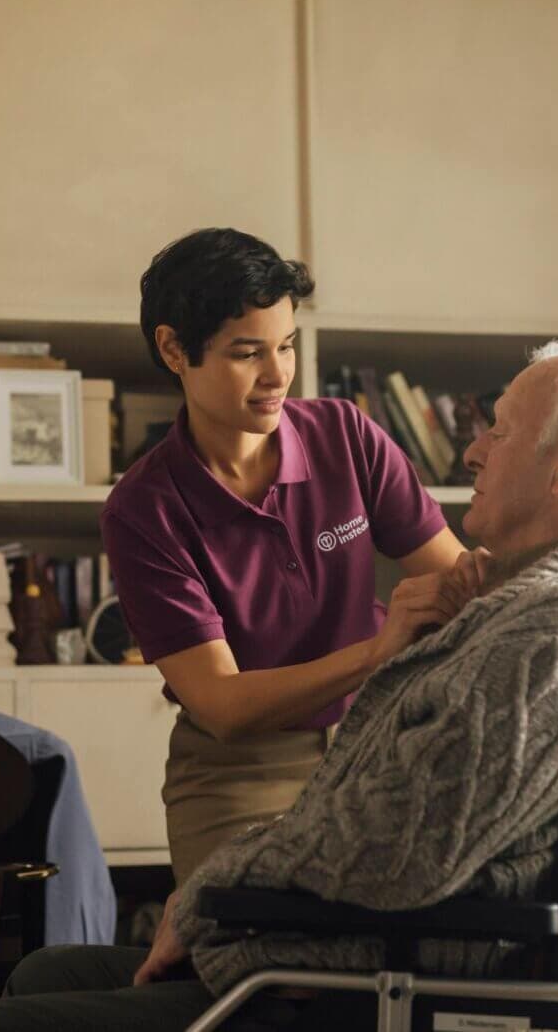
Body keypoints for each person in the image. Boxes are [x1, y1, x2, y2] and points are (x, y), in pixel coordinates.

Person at [0, 341, 558, 1032]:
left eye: (497, 431)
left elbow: (401, 847)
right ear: (178, 353)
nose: (472, 450)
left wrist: (210, 891)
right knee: (47, 970)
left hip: (391, 976)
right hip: (390, 929)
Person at [99, 228, 471, 884]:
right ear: (173, 348)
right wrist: (377, 652)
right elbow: (223, 704)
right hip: (240, 773)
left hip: (381, 740)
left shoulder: (347, 436)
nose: (278, 375)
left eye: (287, 346)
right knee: (245, 965)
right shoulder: (143, 509)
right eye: (248, 353)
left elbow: (462, 584)